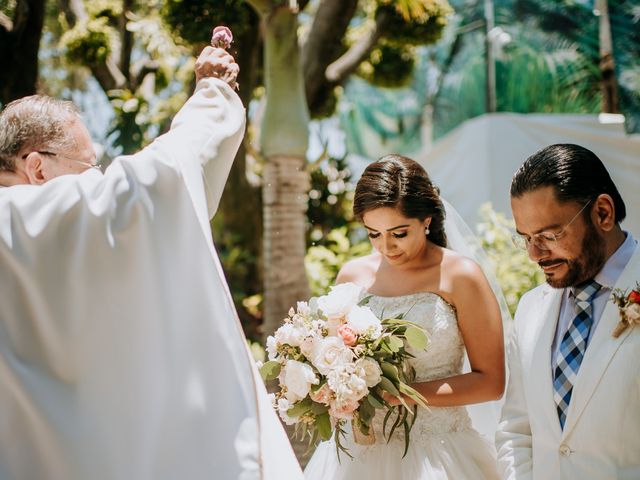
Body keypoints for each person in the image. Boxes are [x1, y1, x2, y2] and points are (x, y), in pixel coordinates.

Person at [0, 45, 302, 479]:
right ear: (37, 168)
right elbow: (155, 180)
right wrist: (213, 92)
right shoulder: (42, 217)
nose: (96, 177)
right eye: (88, 165)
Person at [304, 154, 506, 479]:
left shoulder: (459, 275)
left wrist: (400, 395)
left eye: (399, 233)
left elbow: (491, 382)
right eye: (373, 234)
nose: (386, 247)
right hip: (357, 455)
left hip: (437, 453)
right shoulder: (351, 276)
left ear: (426, 219)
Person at [496, 143, 640, 479]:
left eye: (549, 234)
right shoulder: (531, 308)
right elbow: (516, 428)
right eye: (526, 238)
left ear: (602, 213)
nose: (534, 254)